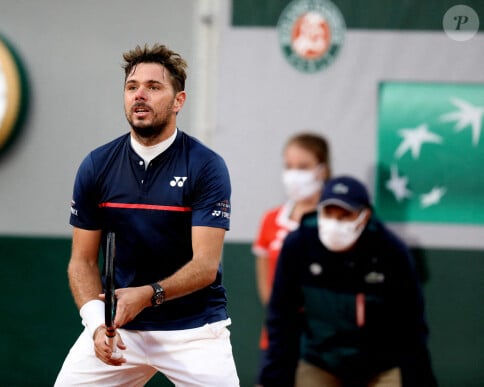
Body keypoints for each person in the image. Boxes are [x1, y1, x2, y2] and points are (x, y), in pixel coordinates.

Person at [55, 43, 239, 386]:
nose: (140, 95)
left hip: (195, 331)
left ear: (178, 100)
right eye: (132, 87)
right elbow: (81, 262)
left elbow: (205, 266)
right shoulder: (96, 166)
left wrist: (148, 294)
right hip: (121, 329)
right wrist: (97, 324)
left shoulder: (206, 166)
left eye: (153, 87)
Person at [259, 176, 437, 387]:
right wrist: (270, 378)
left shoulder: (391, 251)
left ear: (365, 216)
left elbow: (411, 324)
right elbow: (281, 316)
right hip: (320, 361)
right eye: (328, 213)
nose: (335, 222)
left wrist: (420, 379)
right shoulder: (299, 245)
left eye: (345, 215)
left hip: (382, 365)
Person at [252, 133, 330, 377]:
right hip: (279, 336)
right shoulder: (271, 219)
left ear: (322, 171)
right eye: (289, 167)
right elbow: (265, 275)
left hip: (323, 337)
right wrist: (279, 315)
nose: (295, 174)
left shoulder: (334, 221)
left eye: (303, 167)